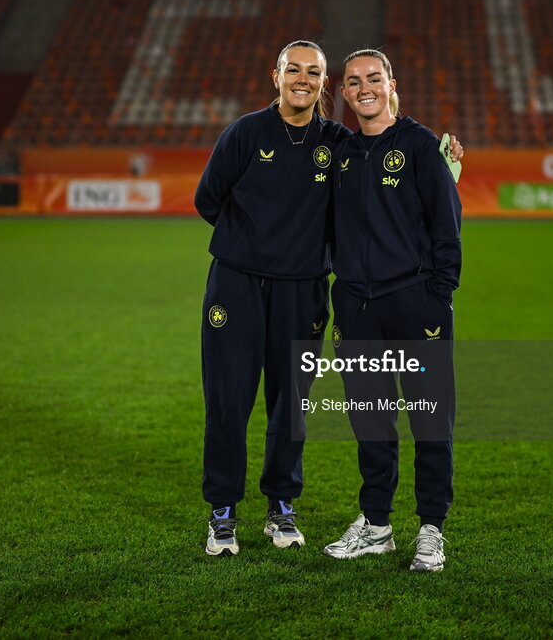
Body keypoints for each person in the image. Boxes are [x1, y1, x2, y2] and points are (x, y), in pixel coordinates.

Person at [195, 41, 463, 558]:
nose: (302, 78)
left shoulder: (343, 142)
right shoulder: (251, 134)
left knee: (291, 407)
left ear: (324, 85)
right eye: (292, 69)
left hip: (311, 291)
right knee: (230, 402)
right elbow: (209, 199)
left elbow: (411, 195)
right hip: (244, 286)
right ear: (275, 76)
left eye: (312, 71)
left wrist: (441, 170)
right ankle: (224, 512)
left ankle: (283, 507)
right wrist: (253, 246)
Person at [323, 49, 461, 572]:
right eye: (354, 81)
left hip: (415, 305)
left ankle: (431, 529)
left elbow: (446, 227)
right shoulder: (339, 151)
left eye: (373, 79)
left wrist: (438, 295)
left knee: (430, 422)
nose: (364, 88)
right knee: (370, 422)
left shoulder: (420, 146)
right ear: (346, 92)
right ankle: (376, 525)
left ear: (391, 84)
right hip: (356, 307)